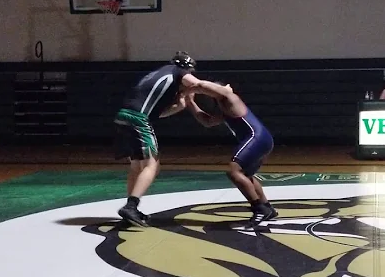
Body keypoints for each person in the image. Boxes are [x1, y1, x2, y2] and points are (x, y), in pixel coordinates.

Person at [114, 52, 223, 227]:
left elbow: (159, 114)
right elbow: (198, 84)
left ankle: (130, 206)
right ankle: (131, 206)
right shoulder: (178, 72)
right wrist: (223, 92)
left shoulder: (160, 73)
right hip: (137, 118)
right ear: (186, 67)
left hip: (123, 116)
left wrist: (181, 105)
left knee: (136, 166)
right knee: (152, 165)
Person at [183, 82, 278, 226]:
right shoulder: (223, 108)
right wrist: (190, 102)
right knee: (245, 175)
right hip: (263, 139)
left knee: (234, 171)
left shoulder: (229, 98)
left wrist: (187, 89)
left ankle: (259, 208)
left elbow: (203, 86)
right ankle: (268, 208)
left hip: (256, 137)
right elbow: (207, 122)